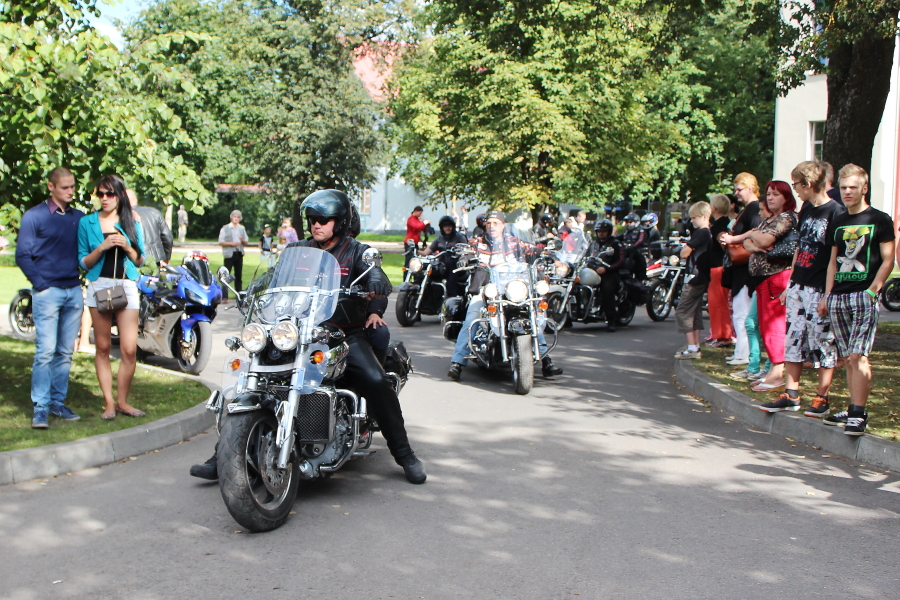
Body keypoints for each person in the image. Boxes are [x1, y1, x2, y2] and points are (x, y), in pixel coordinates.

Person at [191, 190, 426, 484]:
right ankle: (224, 456)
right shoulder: (297, 250)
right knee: (252, 380)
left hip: (342, 335)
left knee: (376, 380)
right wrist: (253, 290)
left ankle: (404, 454)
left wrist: (376, 280)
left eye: (323, 220)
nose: (316, 225)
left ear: (340, 222)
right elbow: (272, 276)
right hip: (295, 332)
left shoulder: (356, 251)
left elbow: (376, 274)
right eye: (313, 219)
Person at [757, 162, 845, 414]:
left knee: (823, 342)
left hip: (819, 286)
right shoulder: (806, 209)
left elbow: (835, 257)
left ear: (808, 184)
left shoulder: (835, 212)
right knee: (793, 339)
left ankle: (821, 398)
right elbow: (800, 246)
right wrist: (791, 283)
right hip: (799, 283)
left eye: (796, 184)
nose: (794, 189)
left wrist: (828, 294)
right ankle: (791, 394)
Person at [818, 164, 895, 435]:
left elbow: (888, 259)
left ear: (864, 188)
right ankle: (852, 409)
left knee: (857, 355)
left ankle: (859, 414)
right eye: (843, 187)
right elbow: (832, 262)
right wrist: (828, 295)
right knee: (847, 358)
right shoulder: (838, 221)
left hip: (864, 296)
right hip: (838, 297)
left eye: (853, 187)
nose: (847, 192)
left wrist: (873, 291)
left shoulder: (880, 219)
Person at [447, 211, 562, 380]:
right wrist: (464, 258)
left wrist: (548, 255)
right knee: (471, 319)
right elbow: (467, 251)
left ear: (503, 225)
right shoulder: (478, 243)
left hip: (513, 291)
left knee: (534, 316)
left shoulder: (514, 242)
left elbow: (533, 250)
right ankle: (457, 363)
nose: (492, 226)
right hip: (488, 291)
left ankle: (546, 361)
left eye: (496, 223)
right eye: (489, 223)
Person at [16, 167, 85, 428]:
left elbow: (100, 230)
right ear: (51, 187)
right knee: (45, 351)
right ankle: (41, 407)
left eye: (72, 186)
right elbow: (22, 255)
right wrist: (41, 285)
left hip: (73, 291)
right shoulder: (34, 217)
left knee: (65, 351)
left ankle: (57, 402)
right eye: (65, 187)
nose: (70, 191)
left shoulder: (78, 217)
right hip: (48, 292)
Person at [78, 175, 147, 420]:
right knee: (103, 347)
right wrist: (102, 247)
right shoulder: (87, 222)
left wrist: (127, 246)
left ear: (119, 195)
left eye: (110, 194)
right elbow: (83, 262)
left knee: (128, 349)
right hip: (99, 285)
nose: (104, 198)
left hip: (125, 285)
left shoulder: (132, 221)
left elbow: (140, 260)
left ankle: (123, 402)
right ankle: (109, 403)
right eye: (100, 194)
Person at [741, 181, 797, 392]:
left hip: (777, 276)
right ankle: (772, 370)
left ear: (786, 197)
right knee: (765, 326)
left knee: (774, 326)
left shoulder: (786, 217)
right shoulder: (770, 219)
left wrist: (754, 236)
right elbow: (747, 243)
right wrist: (753, 239)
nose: (770, 198)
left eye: (776, 194)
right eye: (768, 194)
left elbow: (763, 240)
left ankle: (776, 374)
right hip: (762, 279)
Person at [719, 173, 763, 367]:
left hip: (746, 270)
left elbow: (756, 232)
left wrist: (733, 239)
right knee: (740, 312)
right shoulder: (749, 209)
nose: (736, 193)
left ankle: (744, 354)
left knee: (743, 313)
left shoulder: (754, 209)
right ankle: (741, 352)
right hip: (741, 269)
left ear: (750, 188)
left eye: (739, 189)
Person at [673, 202, 712, 359]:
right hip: (702, 276)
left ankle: (692, 348)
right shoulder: (708, 233)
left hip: (694, 276)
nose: (692, 221)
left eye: (695, 217)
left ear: (704, 217)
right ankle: (695, 345)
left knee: (683, 311)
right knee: (694, 312)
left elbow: (684, 253)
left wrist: (685, 249)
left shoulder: (701, 233)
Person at [699, 195, 734, 348]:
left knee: (717, 302)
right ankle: (721, 334)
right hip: (721, 266)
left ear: (715, 208)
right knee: (719, 302)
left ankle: (722, 336)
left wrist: (724, 246)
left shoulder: (719, 224)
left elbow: (723, 240)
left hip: (718, 267)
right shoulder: (726, 222)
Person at [587, 219, 625, 332]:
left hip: (610, 273)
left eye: (604, 231)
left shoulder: (615, 243)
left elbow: (620, 260)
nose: (601, 233)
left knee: (606, 289)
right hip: (593, 270)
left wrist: (607, 268)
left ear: (609, 231)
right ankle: (569, 317)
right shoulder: (593, 243)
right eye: (599, 231)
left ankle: (611, 320)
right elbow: (585, 255)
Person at [420, 215, 469, 296]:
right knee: (429, 267)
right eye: (445, 226)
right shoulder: (439, 239)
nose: (447, 228)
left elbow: (465, 251)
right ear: (442, 228)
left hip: (457, 267)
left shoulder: (459, 237)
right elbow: (426, 252)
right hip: (442, 266)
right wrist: (415, 250)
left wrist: (462, 255)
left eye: (449, 226)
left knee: (451, 264)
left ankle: (451, 294)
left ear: (453, 227)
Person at [129, 189, 172, 264]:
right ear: (136, 199)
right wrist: (166, 257)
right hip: (156, 257)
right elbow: (168, 237)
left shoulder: (121, 216)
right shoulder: (154, 212)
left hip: (134, 258)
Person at [218, 210, 248, 301]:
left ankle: (239, 295)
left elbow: (246, 242)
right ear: (231, 217)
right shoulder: (225, 228)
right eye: (235, 217)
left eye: (238, 217)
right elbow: (220, 242)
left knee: (238, 276)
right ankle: (224, 296)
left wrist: (242, 240)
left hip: (239, 254)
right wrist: (232, 243)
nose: (236, 218)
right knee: (225, 276)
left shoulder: (241, 228)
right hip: (229, 255)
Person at [620, 212, 648, 281]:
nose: (628, 224)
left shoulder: (641, 230)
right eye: (627, 222)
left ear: (636, 222)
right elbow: (619, 238)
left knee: (639, 271)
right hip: (627, 253)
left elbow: (640, 240)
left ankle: (640, 281)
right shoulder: (626, 232)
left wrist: (632, 247)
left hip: (639, 254)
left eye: (630, 222)